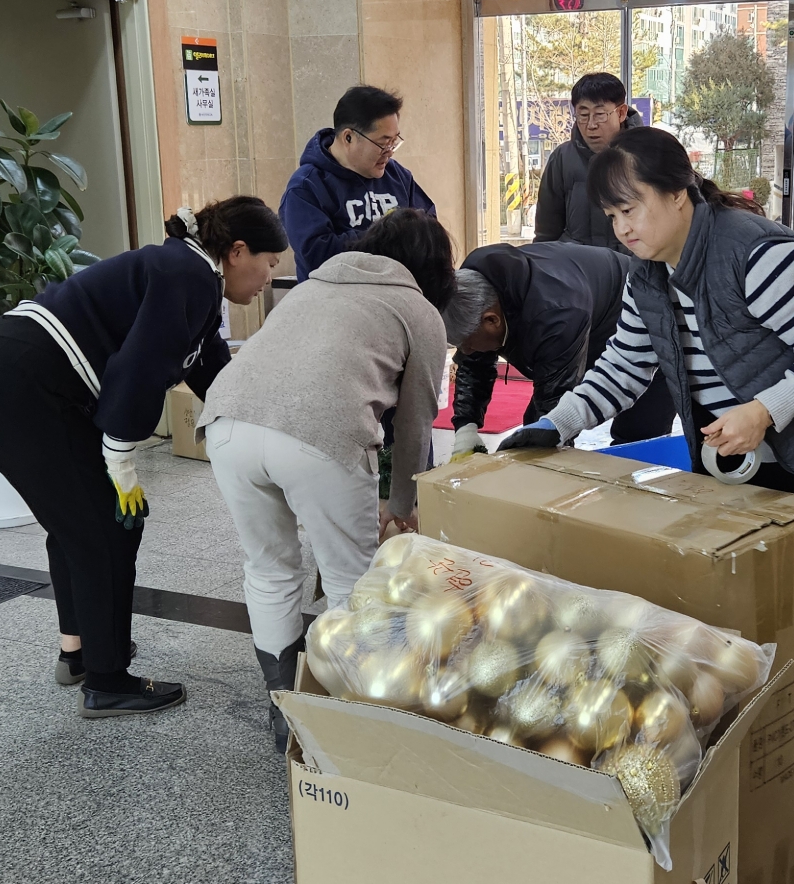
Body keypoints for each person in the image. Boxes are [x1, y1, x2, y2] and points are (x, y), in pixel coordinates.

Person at [499, 127, 794, 789]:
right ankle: (750, 750)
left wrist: (763, 410)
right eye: (611, 214)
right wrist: (555, 424)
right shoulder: (647, 277)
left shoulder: (760, 255)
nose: (621, 228)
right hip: (743, 469)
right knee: (743, 618)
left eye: (630, 208)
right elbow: (625, 368)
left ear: (678, 192)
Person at [0, 196, 288, 718]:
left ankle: (80, 653)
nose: (269, 278)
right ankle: (107, 682)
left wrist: (270, 426)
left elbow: (213, 372)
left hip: (4, 379)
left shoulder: (192, 273)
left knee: (81, 522)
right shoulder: (189, 273)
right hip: (17, 384)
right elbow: (140, 367)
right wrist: (121, 459)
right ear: (238, 251)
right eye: (270, 263)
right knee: (107, 526)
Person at [198, 207, 454, 749]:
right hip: (320, 437)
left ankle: (284, 709)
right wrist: (401, 504)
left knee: (268, 569)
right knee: (351, 580)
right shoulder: (418, 310)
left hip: (226, 425)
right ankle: (351, 714)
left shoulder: (310, 287)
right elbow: (415, 424)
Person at [440, 242, 673, 460]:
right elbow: (474, 364)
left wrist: (546, 448)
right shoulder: (472, 289)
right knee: (535, 431)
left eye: (467, 343)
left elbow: (555, 401)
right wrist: (466, 426)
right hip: (583, 313)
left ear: (492, 320)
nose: (465, 350)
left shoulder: (556, 314)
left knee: (639, 440)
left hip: (646, 321)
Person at [281, 85, 436, 280]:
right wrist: (389, 236)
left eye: (394, 142)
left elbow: (429, 231)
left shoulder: (397, 175)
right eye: (383, 143)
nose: (389, 152)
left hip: (398, 291)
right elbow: (319, 256)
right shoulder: (306, 187)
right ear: (348, 137)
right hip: (337, 295)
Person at [533, 72, 641, 250]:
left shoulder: (646, 154)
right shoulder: (562, 158)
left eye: (600, 114)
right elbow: (546, 232)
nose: (591, 125)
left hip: (631, 262)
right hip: (575, 262)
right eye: (583, 115)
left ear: (621, 113)